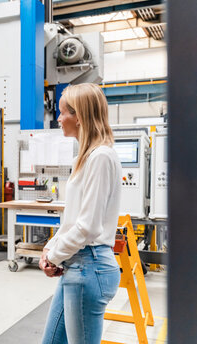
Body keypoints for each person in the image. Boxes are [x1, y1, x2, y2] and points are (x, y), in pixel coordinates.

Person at [39, 83, 122, 344]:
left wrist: (54, 256)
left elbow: (88, 227)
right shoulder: (85, 158)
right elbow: (73, 220)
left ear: (80, 116)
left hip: (90, 266)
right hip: (76, 264)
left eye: (63, 113)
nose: (59, 119)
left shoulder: (101, 158)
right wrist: (49, 250)